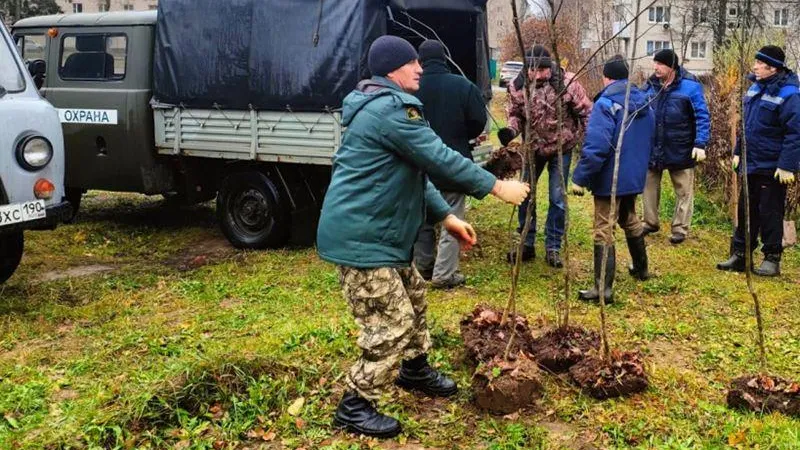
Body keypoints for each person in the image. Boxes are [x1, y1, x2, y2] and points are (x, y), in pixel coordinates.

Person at [316, 35, 530, 438]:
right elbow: (439, 157)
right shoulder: (390, 110)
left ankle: (414, 370)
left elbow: (415, 171)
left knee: (415, 297)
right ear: (393, 69)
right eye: (412, 62)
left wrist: (447, 217)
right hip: (363, 238)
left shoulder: (383, 107)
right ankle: (355, 404)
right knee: (393, 323)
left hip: (380, 235)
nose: (419, 69)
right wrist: (497, 186)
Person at [498, 45, 592, 268]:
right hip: (532, 148)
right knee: (524, 194)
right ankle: (526, 243)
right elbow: (515, 114)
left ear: (550, 67)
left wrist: (588, 145)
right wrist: (511, 130)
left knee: (557, 198)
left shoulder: (567, 83)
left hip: (562, 147)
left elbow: (587, 113)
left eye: (543, 70)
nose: (538, 75)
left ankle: (553, 247)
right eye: (534, 70)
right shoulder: (518, 86)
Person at [571, 56, 655, 303]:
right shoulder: (645, 103)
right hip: (634, 176)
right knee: (629, 218)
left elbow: (597, 145)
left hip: (610, 178)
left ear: (606, 77)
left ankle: (603, 289)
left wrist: (580, 177)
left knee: (603, 228)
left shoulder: (606, 103)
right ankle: (641, 269)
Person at [717, 45, 799, 276]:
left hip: (771, 166)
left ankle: (772, 258)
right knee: (746, 210)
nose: (755, 67)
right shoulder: (754, 88)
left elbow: (795, 133)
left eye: (760, 64)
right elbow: (746, 126)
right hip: (750, 163)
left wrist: (787, 165)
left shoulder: (790, 94)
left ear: (773, 68)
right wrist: (737, 152)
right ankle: (741, 255)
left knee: (769, 212)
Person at [413, 40, 488, 289]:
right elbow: (478, 121)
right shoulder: (463, 86)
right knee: (452, 216)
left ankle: (423, 265)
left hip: (420, 163)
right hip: (454, 163)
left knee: (423, 216)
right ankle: (444, 274)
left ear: (420, 61)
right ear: (445, 58)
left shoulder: (411, 89)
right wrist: (460, 135)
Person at [641, 49, 711, 244]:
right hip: (653, 146)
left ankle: (680, 228)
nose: (655, 67)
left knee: (683, 190)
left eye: (660, 64)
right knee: (648, 186)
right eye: (655, 63)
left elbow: (702, 116)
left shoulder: (690, 87)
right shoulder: (650, 86)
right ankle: (649, 222)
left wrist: (700, 143)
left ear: (671, 67)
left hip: (681, 147)